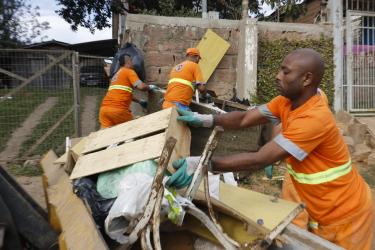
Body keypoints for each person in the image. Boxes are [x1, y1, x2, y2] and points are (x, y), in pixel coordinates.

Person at [166, 49, 374, 250]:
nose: (277, 76)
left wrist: (202, 165)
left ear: (307, 79)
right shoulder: (285, 102)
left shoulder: (315, 118)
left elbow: (259, 159)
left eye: (285, 72)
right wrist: (206, 119)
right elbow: (245, 118)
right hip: (320, 206)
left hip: (347, 215)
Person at [99, 54, 157, 128]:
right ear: (128, 61)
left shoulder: (116, 76)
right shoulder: (129, 71)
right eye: (132, 61)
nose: (133, 63)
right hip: (118, 110)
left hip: (104, 111)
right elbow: (141, 87)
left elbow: (124, 92)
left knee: (106, 136)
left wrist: (140, 101)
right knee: (132, 131)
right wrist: (150, 87)